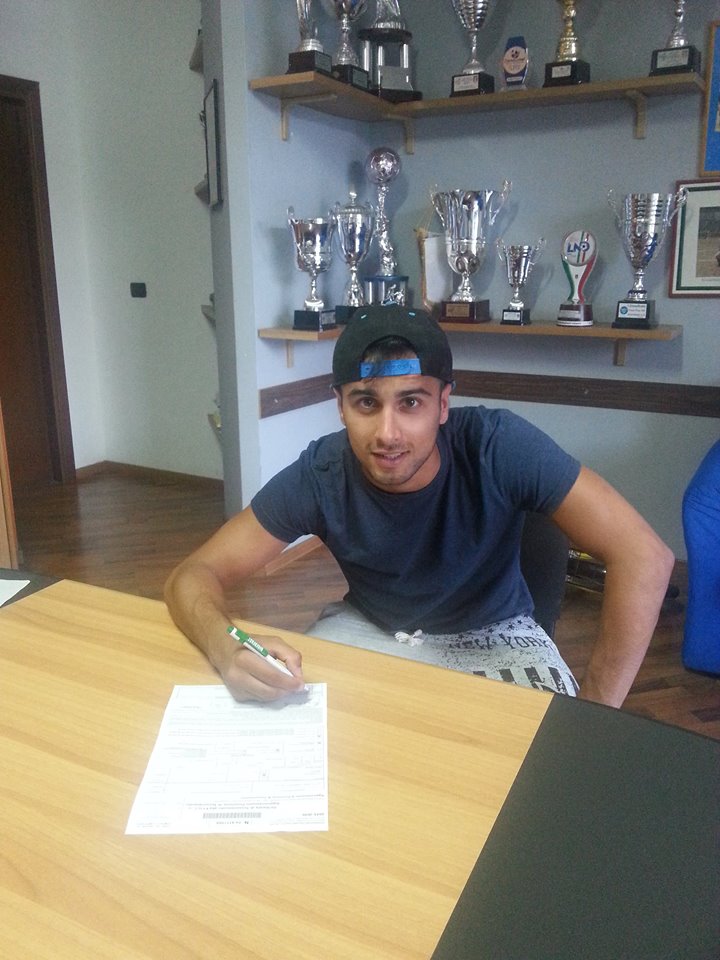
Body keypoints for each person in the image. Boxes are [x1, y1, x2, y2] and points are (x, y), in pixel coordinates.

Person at [165, 306, 674, 708]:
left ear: (443, 404)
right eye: (367, 402)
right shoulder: (322, 473)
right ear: (340, 406)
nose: (388, 434)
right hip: (369, 629)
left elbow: (645, 556)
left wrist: (596, 711)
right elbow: (192, 575)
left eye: (411, 402)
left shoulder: (499, 445)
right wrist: (225, 643)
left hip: (497, 636)